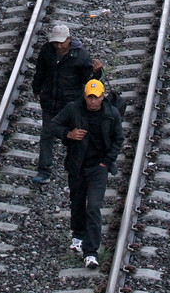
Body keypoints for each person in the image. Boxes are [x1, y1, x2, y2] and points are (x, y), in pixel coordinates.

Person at [48, 79, 123, 269]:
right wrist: (68, 134)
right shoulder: (73, 109)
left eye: (96, 97)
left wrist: (106, 162)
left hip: (98, 168)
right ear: (85, 96)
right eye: (89, 97)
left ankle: (91, 252)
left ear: (102, 96)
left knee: (94, 207)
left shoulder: (111, 114)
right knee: (78, 202)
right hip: (77, 165)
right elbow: (53, 125)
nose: (92, 101)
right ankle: (78, 235)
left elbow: (118, 139)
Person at [31, 23, 102, 185]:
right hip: (50, 101)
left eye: (61, 42)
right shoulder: (47, 51)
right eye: (55, 42)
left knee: (74, 136)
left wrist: (97, 73)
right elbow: (40, 71)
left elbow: (88, 80)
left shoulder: (80, 56)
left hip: (70, 105)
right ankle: (44, 171)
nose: (58, 45)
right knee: (47, 135)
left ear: (69, 39)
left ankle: (76, 169)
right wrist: (36, 89)